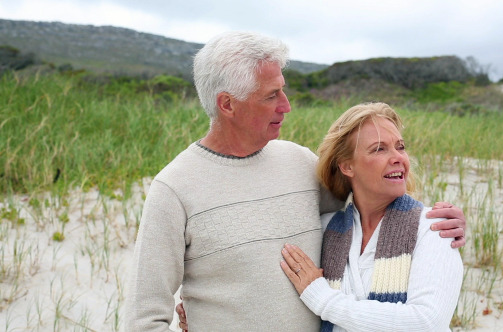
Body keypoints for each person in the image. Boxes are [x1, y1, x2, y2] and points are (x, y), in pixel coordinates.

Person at [125, 31, 466, 331]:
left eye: (283, 92)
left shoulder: (299, 163)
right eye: (271, 95)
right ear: (227, 104)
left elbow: (371, 200)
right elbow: (143, 318)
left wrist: (446, 223)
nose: (286, 106)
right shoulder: (173, 189)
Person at [279, 102, 463, 331]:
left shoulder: (434, 228)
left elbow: (427, 322)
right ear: (347, 166)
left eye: (400, 147)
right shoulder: (327, 230)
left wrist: (322, 299)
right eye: (379, 149)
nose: (398, 158)